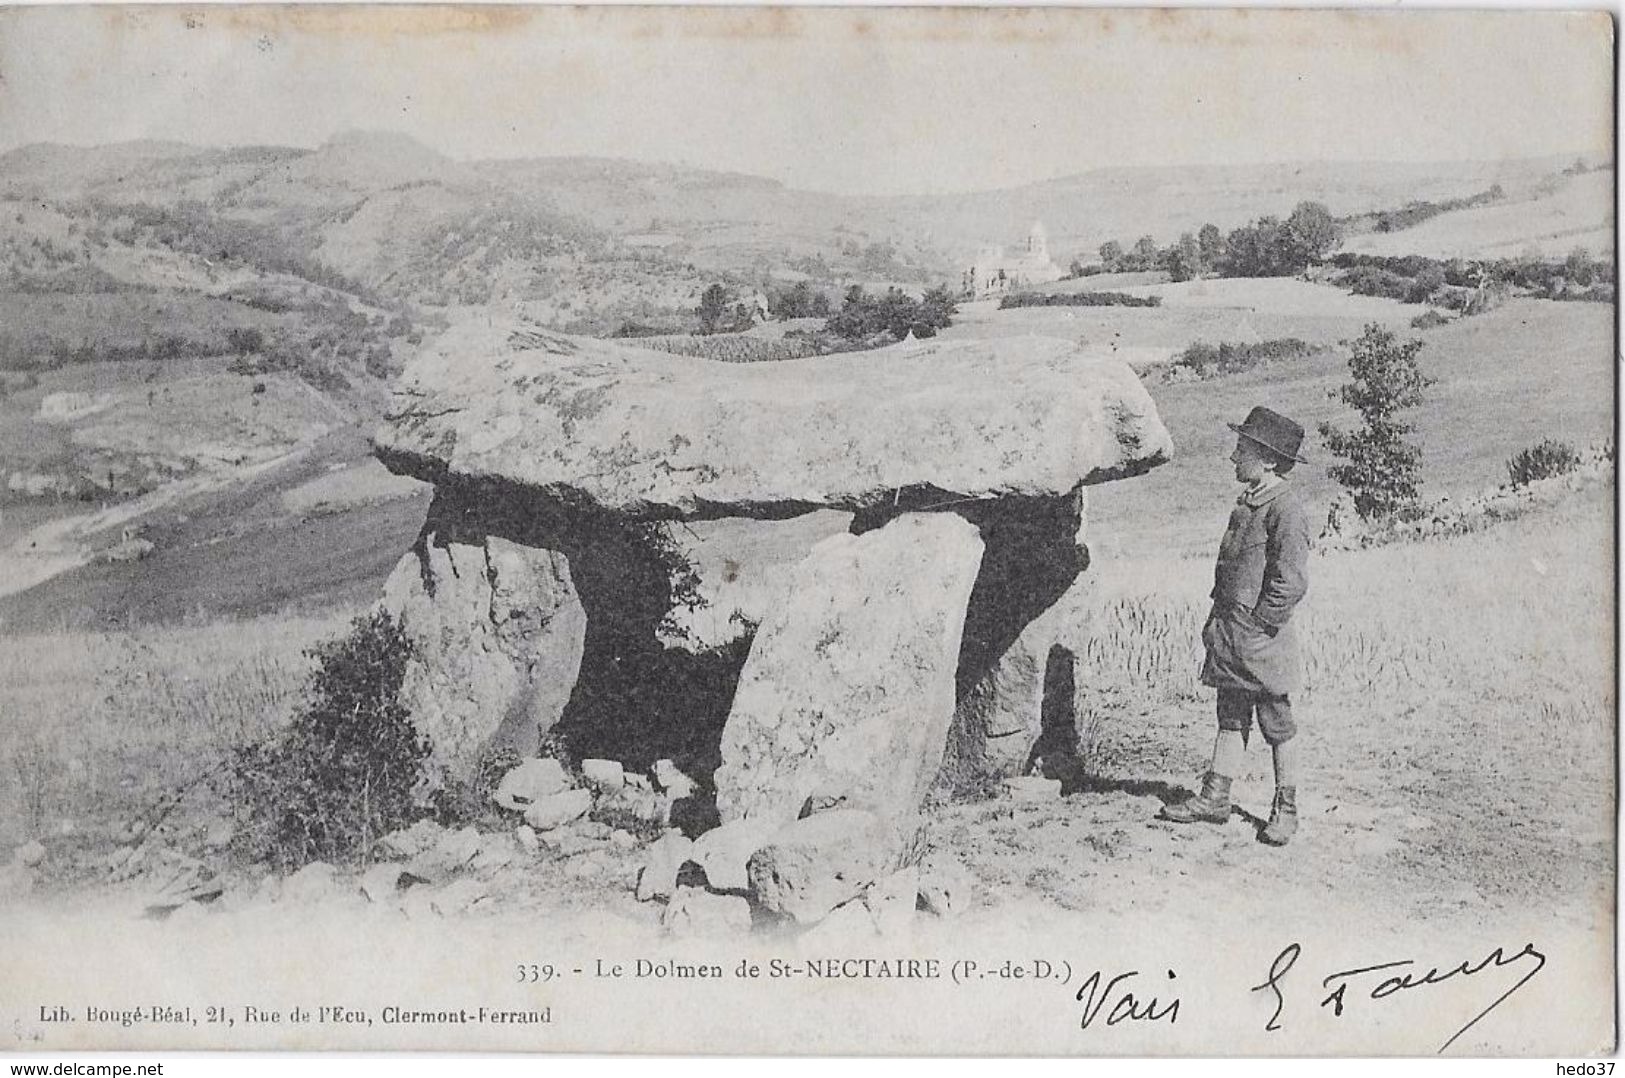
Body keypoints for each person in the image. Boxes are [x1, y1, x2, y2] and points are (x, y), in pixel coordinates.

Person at [1158, 406, 1312, 845]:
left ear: (1265, 458)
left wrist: (1261, 625)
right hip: (1231, 634)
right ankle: (1215, 797)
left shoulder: (1286, 510)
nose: (1232, 457)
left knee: (1276, 721)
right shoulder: (1249, 503)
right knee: (1230, 713)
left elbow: (1291, 580)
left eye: (1241, 449)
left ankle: (1286, 809)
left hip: (1262, 640)